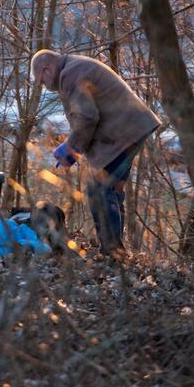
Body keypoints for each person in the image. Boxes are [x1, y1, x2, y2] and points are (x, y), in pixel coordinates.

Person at [31, 50, 162, 257]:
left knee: (98, 190)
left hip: (124, 133)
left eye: (41, 81)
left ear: (47, 69)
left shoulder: (70, 74)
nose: (44, 86)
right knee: (113, 190)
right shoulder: (74, 67)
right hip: (131, 130)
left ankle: (113, 253)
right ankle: (116, 253)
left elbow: (87, 118)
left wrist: (70, 150)